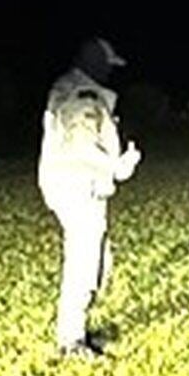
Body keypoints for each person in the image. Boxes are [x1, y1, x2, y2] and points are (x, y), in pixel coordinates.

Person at [37, 36, 142, 356]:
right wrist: (115, 169)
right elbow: (81, 144)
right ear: (94, 63)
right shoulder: (84, 96)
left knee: (98, 262)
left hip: (69, 184)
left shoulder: (68, 87)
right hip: (79, 186)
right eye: (107, 66)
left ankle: (77, 328)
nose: (110, 73)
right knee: (84, 262)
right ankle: (72, 341)